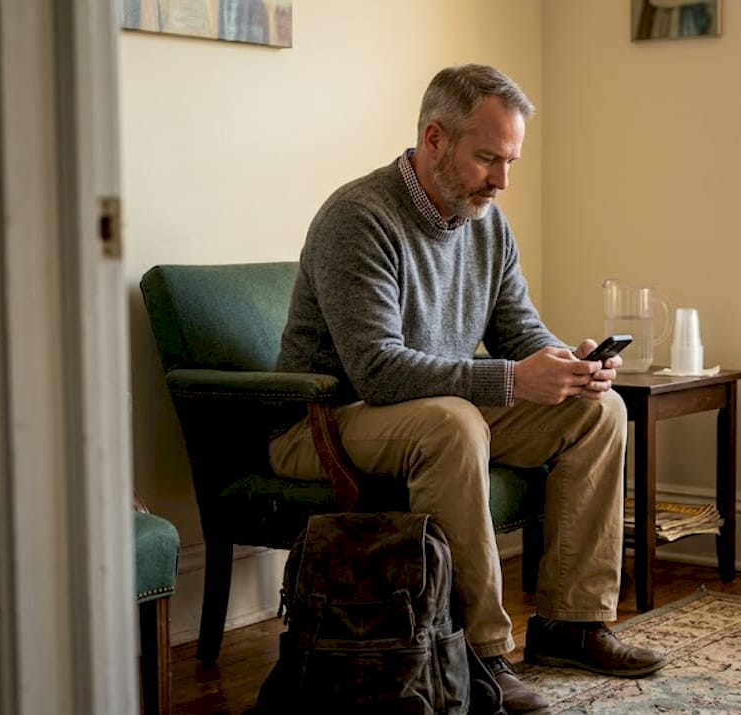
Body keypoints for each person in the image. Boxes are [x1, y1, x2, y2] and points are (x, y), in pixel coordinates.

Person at [268, 63, 665, 712]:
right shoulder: (357, 218)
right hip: (323, 421)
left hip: (426, 410)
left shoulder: (486, 223)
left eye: (510, 160)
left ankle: (572, 620)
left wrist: (568, 364)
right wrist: (512, 379)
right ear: (434, 140)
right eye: (488, 158)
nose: (502, 180)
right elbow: (378, 369)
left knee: (600, 411)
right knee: (455, 423)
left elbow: (520, 331)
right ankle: (479, 656)